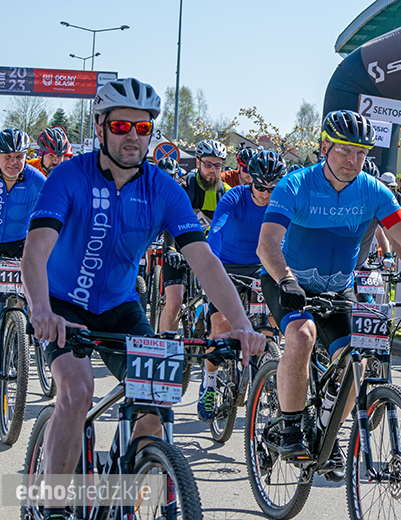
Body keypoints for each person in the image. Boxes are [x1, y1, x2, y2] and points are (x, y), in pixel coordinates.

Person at [21, 78, 266, 520]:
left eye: (143, 126)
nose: (132, 135)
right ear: (100, 128)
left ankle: (124, 500)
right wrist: (40, 309)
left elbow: (203, 260)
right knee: (77, 393)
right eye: (120, 125)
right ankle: (53, 507)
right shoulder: (67, 177)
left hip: (119, 307)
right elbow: (35, 250)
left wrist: (242, 324)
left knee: (155, 404)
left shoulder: (163, 188)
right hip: (62, 306)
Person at [257, 109, 401, 472]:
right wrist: (285, 279)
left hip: (337, 290)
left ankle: (325, 430)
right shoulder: (296, 184)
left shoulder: (372, 191)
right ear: (324, 147)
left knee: (358, 361)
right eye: (345, 151)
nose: (354, 161)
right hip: (288, 282)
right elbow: (267, 242)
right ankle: (288, 428)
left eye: (362, 153)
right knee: (301, 336)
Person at [200, 150, 287, 422]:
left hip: (262, 267)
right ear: (251, 180)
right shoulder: (234, 197)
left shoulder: (283, 203)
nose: (266, 193)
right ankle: (210, 384)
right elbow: (216, 231)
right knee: (222, 326)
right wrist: (210, 262)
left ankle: (268, 373)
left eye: (273, 188)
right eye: (261, 186)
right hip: (226, 266)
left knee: (273, 321)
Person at [157, 138, 231, 335]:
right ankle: (165, 351)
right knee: (174, 301)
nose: (213, 170)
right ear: (198, 162)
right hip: (179, 248)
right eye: (208, 164)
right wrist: (171, 249)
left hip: (208, 253)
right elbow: (170, 220)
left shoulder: (225, 193)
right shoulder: (183, 187)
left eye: (218, 165)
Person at [0, 129, 46, 317]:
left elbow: (58, 210)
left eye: (19, 156)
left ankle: (30, 339)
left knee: (35, 293)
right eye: (8, 156)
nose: (14, 162)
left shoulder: (36, 179)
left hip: (21, 244)